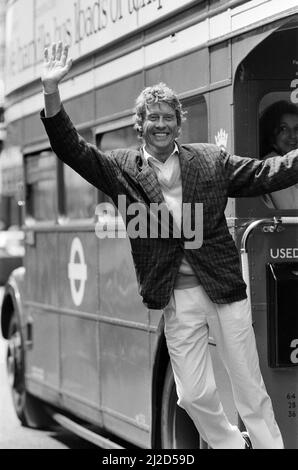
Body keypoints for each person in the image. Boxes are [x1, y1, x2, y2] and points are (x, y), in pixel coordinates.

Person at [40, 42, 298, 450]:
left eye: (168, 118)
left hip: (226, 293)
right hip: (178, 297)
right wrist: (52, 93)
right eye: (152, 118)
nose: (160, 124)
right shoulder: (121, 168)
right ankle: (232, 445)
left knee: (250, 389)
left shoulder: (211, 160)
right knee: (192, 395)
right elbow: (71, 149)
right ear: (139, 124)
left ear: (179, 125)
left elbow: (268, 171)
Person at [259, 100, 298, 209]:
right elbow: (291, 208)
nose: (293, 136)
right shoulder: (271, 165)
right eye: (283, 129)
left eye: (297, 128)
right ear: (271, 134)